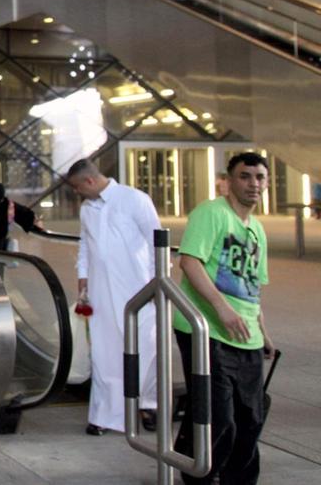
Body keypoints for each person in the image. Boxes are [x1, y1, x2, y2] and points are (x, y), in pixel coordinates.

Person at [173, 152, 274, 485]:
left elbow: (252, 285)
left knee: (250, 419)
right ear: (228, 181)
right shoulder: (211, 213)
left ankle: (235, 480)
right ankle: (199, 476)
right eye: (245, 176)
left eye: (259, 177)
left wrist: (263, 330)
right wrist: (221, 308)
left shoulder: (256, 228)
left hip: (245, 335)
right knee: (220, 418)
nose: (253, 184)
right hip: (206, 329)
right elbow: (189, 262)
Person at [66, 159, 160, 436]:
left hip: (137, 289)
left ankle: (148, 404)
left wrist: (158, 285)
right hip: (100, 292)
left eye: (77, 187)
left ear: (90, 181)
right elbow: (85, 244)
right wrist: (82, 274)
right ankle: (106, 415)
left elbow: (158, 242)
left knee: (145, 348)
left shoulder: (135, 200)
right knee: (104, 353)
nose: (77, 193)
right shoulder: (87, 209)